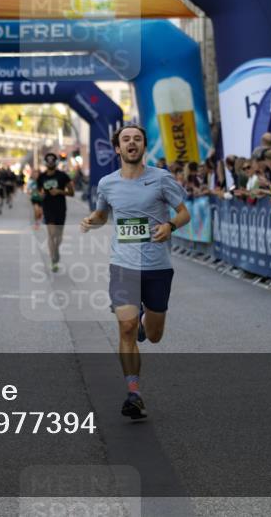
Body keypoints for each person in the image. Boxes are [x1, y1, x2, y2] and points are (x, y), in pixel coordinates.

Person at [79, 124, 190, 420]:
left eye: (137, 139)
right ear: (118, 148)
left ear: (143, 147)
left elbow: (184, 212)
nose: (132, 143)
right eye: (126, 139)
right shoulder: (107, 184)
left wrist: (170, 226)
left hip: (157, 267)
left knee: (153, 335)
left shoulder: (161, 179)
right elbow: (103, 215)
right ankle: (134, 392)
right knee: (125, 328)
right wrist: (92, 220)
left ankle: (145, 323)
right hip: (123, 265)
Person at [37, 152, 74, 272]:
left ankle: (56, 250)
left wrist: (60, 192)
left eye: (53, 161)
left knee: (59, 237)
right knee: (52, 234)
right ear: (45, 163)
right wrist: (41, 195)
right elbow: (38, 192)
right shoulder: (41, 177)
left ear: (56, 162)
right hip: (48, 208)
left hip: (60, 208)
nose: (50, 163)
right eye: (48, 161)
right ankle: (53, 259)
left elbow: (71, 192)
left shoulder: (63, 176)